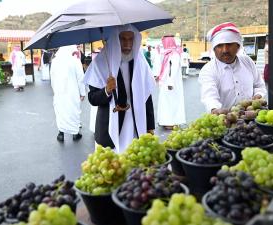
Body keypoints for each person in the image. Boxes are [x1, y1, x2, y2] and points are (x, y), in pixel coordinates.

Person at [84, 24, 156, 153]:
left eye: (130, 39)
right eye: (123, 39)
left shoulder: (140, 62)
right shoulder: (101, 62)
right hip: (110, 126)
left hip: (136, 122)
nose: (127, 44)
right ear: (116, 40)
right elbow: (93, 98)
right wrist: (107, 90)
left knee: (133, 164)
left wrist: (150, 126)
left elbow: (147, 97)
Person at [198, 22, 267, 113]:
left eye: (229, 44)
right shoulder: (208, 70)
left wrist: (258, 95)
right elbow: (209, 96)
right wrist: (215, 110)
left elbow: (259, 85)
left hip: (251, 117)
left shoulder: (247, 62)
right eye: (219, 46)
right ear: (214, 49)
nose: (225, 50)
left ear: (238, 46)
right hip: (225, 121)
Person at [51, 45, 86, 142]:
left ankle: (61, 134)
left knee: (60, 111)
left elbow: (52, 78)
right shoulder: (74, 60)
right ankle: (75, 133)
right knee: (73, 111)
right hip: (72, 92)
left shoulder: (55, 61)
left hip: (59, 92)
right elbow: (80, 78)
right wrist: (82, 92)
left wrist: (55, 91)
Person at [156, 36, 186, 129]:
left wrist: (170, 83)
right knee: (165, 102)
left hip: (171, 84)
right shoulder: (166, 53)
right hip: (165, 83)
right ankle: (165, 121)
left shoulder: (174, 54)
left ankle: (171, 122)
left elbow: (174, 69)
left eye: (164, 42)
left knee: (171, 102)